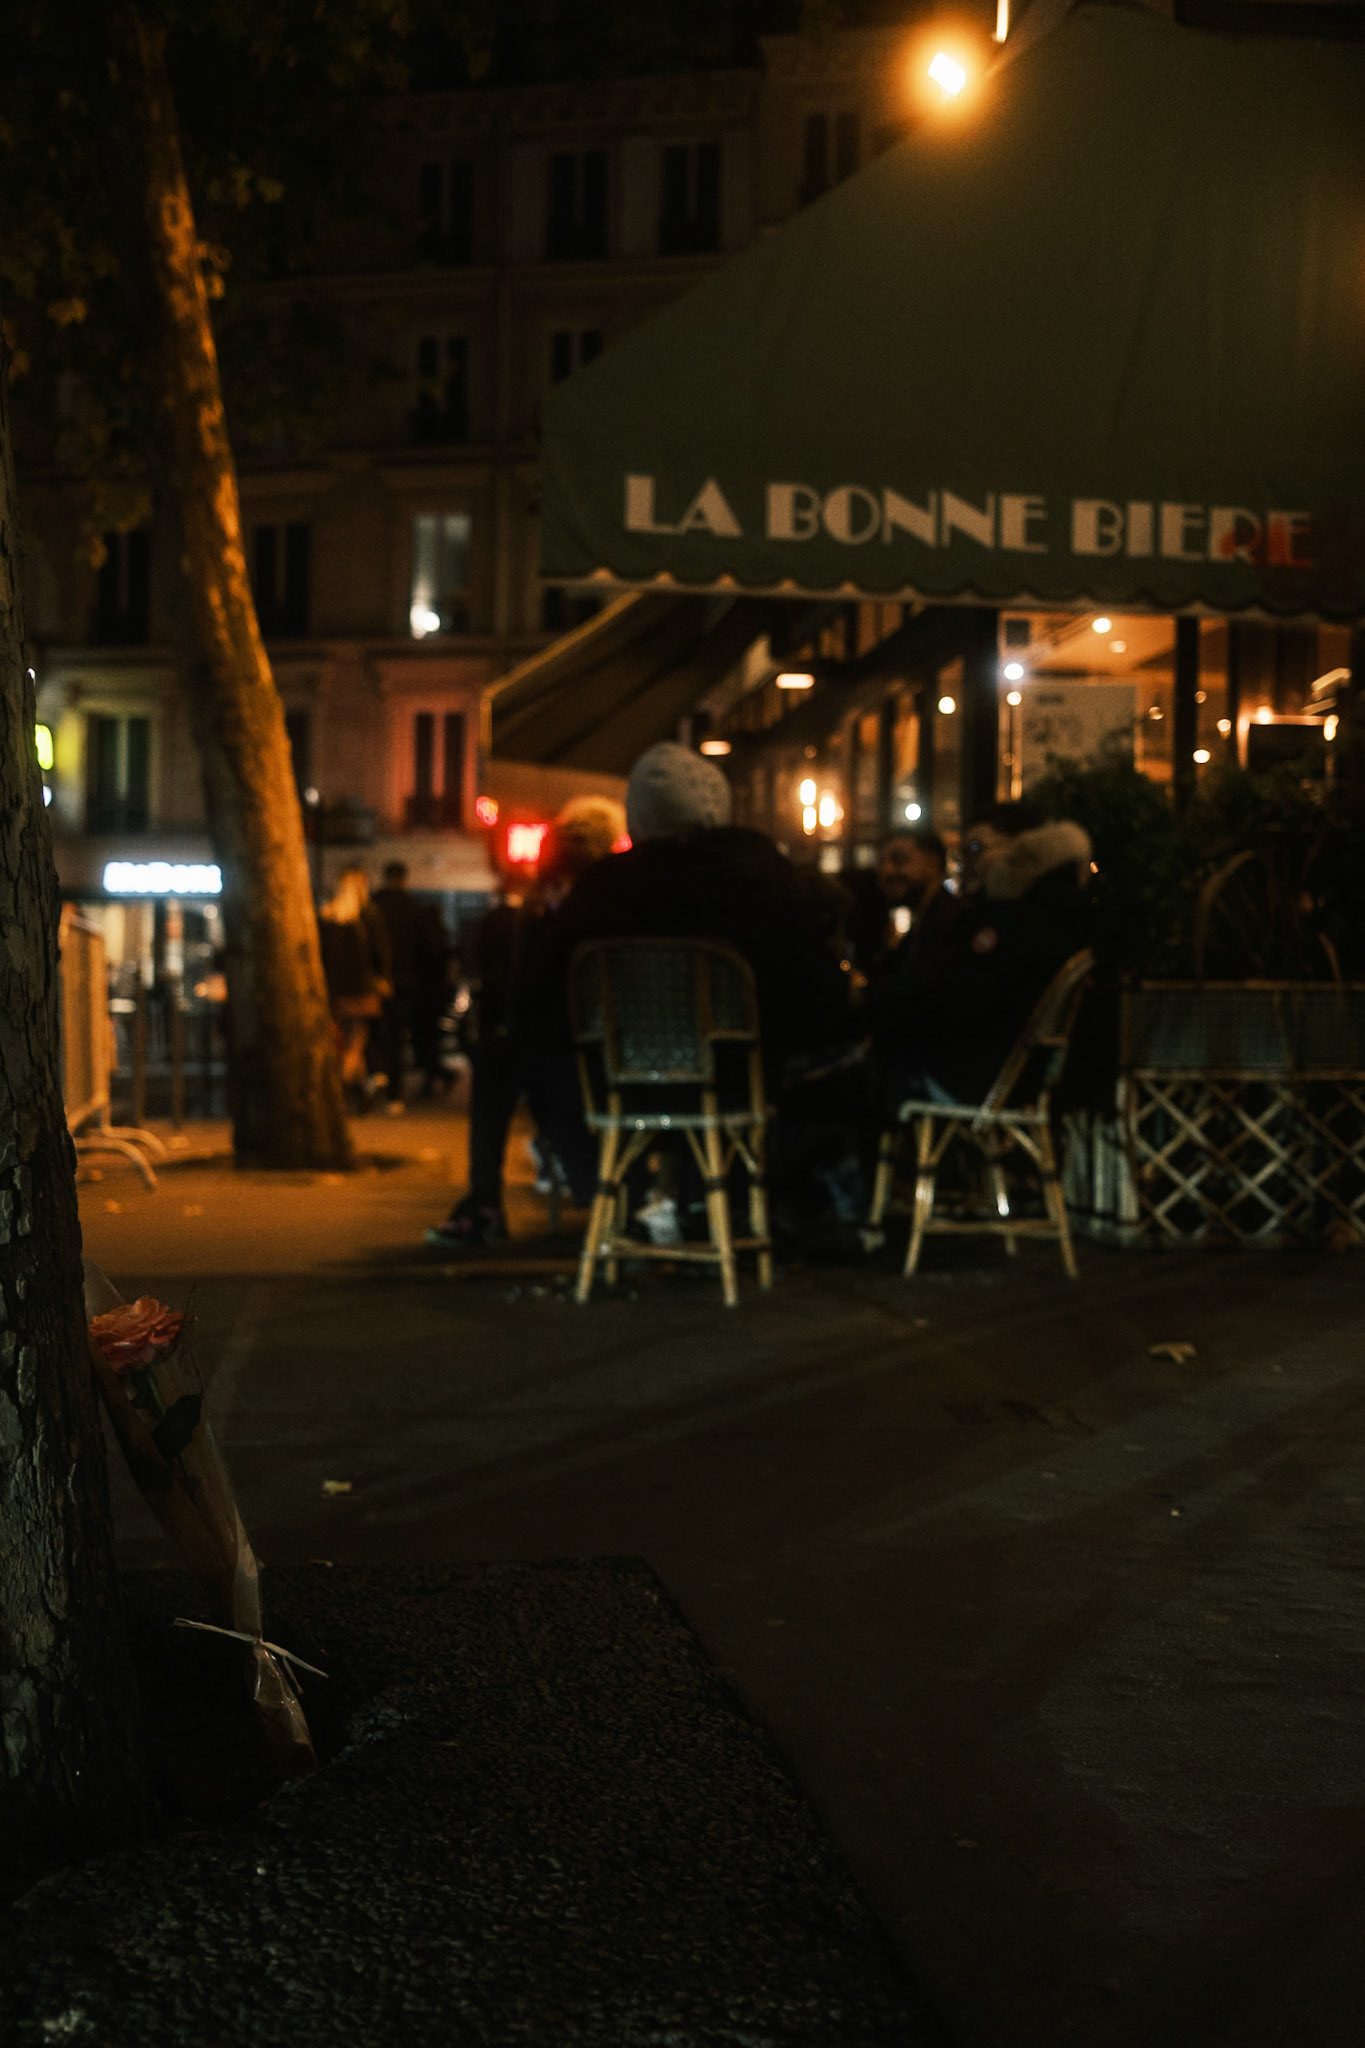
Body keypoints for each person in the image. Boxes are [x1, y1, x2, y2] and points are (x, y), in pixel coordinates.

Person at [425, 794, 627, 1249]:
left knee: (505, 1070)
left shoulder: (551, 911)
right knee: (543, 1085)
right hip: (622, 1049)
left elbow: (532, 991)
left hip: (565, 1049)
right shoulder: (624, 899)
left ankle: (487, 1203)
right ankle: (595, 1194)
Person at [868, 804, 1094, 1109]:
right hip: (1017, 1081)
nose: (966, 862)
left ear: (1021, 848)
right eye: (962, 853)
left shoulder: (1008, 922)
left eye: (976, 848)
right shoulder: (1057, 908)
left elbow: (959, 1000)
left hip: (981, 1083)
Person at [370, 861, 449, 1111]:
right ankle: (394, 1091)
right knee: (396, 1036)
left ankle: (376, 1078)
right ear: (404, 879)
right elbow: (430, 952)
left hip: (374, 982)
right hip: (406, 982)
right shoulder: (414, 909)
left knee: (374, 1034)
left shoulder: (374, 907)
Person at [318, 865, 392, 1111]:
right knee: (356, 1042)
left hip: (335, 990)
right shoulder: (368, 914)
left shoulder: (328, 915)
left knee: (342, 1041)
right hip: (362, 988)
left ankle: (354, 1093)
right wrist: (383, 977)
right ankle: (349, 1088)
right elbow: (381, 951)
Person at [843, 827, 952, 986]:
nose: (886, 871)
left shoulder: (952, 924)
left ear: (933, 864)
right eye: (881, 863)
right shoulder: (922, 922)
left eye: (899, 860)